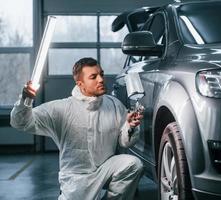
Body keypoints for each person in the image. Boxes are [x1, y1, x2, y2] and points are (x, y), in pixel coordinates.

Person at [10, 57, 144, 200]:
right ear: (80, 84)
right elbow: (20, 122)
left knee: (133, 164)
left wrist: (130, 126)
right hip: (76, 180)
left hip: (105, 169)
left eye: (101, 74)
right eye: (93, 77)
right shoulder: (62, 109)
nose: (101, 79)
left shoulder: (114, 105)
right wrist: (26, 99)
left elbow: (125, 142)